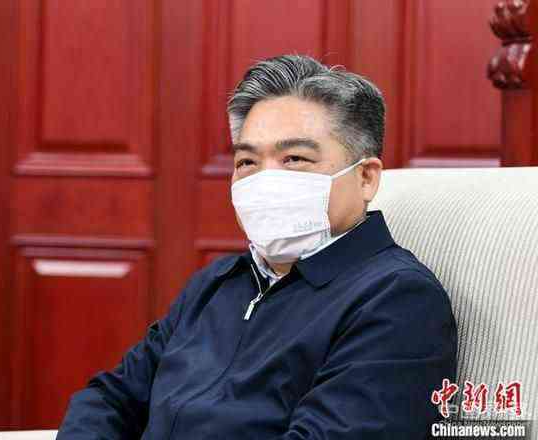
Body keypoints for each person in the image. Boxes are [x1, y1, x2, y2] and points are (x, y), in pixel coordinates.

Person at [57, 54, 457, 439]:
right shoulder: (217, 283)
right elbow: (110, 399)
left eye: (294, 158)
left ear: (366, 177)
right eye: (247, 162)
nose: (265, 180)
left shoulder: (396, 300)